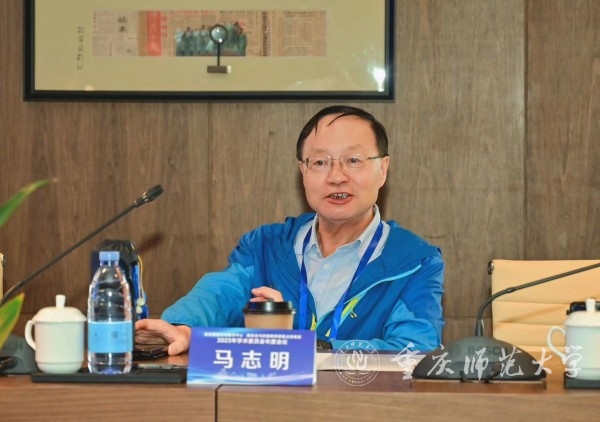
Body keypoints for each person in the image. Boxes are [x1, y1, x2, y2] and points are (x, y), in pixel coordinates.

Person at [135, 105, 445, 355]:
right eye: (320, 162)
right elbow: (219, 294)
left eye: (353, 160)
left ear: (383, 169)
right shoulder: (267, 246)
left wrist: (302, 346)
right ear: (303, 171)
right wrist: (183, 328)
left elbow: (413, 349)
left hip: (361, 405)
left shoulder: (414, 261)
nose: (336, 176)